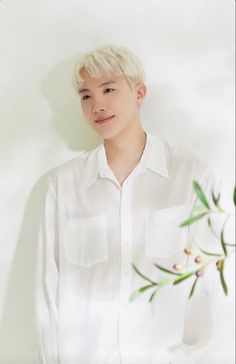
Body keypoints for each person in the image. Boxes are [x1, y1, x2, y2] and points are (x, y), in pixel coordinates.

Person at [35, 44, 218, 364]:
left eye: (108, 89)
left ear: (139, 92)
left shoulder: (190, 172)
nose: (97, 105)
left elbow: (204, 280)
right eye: (86, 95)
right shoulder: (63, 185)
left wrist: (193, 356)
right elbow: (47, 287)